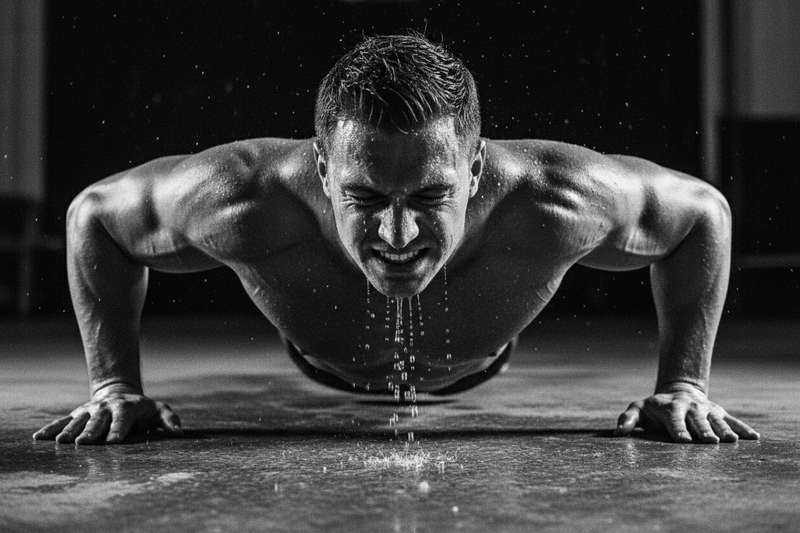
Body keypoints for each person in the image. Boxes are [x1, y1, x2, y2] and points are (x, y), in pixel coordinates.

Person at [34, 33, 759, 446]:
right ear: (325, 168)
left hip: (477, 362)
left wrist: (683, 386)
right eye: (367, 197)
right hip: (320, 358)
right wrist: (115, 386)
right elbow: (94, 216)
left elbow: (703, 215)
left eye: (431, 197)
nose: (399, 233)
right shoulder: (246, 198)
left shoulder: (555, 198)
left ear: (475, 168)